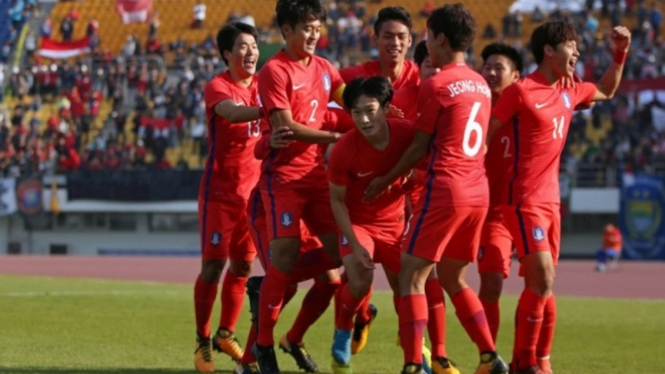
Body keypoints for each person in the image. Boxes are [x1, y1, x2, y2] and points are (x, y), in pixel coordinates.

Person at [364, 4, 508, 374]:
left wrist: (384, 178)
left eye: (427, 35)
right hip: (479, 191)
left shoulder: (436, 84)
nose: (426, 40)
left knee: (412, 275)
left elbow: (419, 147)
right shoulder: (479, 83)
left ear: (440, 39)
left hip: (446, 188)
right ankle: (489, 355)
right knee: (453, 276)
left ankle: (414, 363)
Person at [488, 21, 631, 374]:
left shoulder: (570, 90)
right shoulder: (519, 92)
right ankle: (524, 362)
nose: (577, 52)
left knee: (543, 284)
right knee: (543, 277)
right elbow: (485, 135)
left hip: (551, 202)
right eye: (571, 45)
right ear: (549, 50)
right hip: (522, 201)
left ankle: (536, 359)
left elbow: (607, 91)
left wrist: (620, 52)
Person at [253, 1, 346, 373]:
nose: (313, 34)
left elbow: (348, 98)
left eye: (317, 27)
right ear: (286, 31)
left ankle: (288, 332)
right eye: (305, 27)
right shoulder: (274, 70)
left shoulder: (325, 67)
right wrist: (335, 136)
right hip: (284, 181)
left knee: (341, 255)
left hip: (317, 178)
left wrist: (377, 106)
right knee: (286, 260)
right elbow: (285, 128)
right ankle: (262, 347)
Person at [328, 76, 419, 374]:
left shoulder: (407, 134)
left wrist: (408, 176)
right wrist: (354, 243)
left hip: (395, 224)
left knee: (407, 287)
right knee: (359, 276)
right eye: (356, 113)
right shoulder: (343, 150)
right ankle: (342, 330)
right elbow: (338, 202)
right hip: (359, 224)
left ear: (386, 108)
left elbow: (428, 165)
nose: (364, 119)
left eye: (370, 110)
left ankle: (416, 355)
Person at [192, 22, 263, 374]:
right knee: (213, 266)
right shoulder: (217, 87)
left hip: (253, 198)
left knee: (244, 267)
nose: (251, 52)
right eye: (242, 46)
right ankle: (202, 340)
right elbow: (233, 114)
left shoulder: (265, 86)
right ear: (226, 53)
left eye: (253, 46)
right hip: (219, 195)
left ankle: (225, 333)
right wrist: (272, 110)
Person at [476, 42, 523, 343]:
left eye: (499, 68)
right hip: (488, 213)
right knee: (491, 283)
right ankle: (487, 356)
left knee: (540, 283)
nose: (491, 73)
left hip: (526, 210)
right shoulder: (474, 107)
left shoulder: (529, 106)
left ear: (516, 77)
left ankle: (529, 357)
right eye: (487, 67)